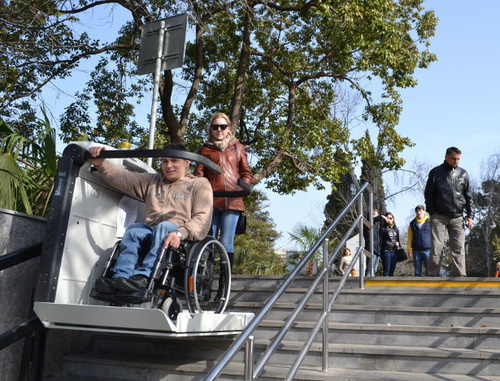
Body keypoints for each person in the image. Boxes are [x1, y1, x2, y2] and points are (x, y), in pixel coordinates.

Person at [90, 143, 213, 294]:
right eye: (165, 161)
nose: (169, 166)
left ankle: (144, 276)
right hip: (152, 229)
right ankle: (120, 277)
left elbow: (202, 218)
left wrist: (181, 233)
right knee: (134, 230)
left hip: (179, 232)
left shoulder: (199, 184)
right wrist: (101, 164)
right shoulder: (153, 181)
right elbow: (124, 178)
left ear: (186, 163)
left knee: (164, 227)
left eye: (174, 161)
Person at [194, 112, 253, 271]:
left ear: (228, 128)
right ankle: (206, 282)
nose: (219, 129)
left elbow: (247, 173)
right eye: (215, 127)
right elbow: (198, 175)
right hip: (211, 201)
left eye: (223, 126)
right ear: (211, 129)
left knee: (227, 242)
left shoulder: (237, 148)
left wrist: (241, 187)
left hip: (232, 200)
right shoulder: (205, 149)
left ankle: (223, 285)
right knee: (209, 240)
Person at [424, 147, 474, 277]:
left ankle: (460, 276)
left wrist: (470, 216)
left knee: (459, 248)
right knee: (437, 247)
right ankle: (433, 274)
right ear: (446, 156)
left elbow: (468, 196)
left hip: (458, 217)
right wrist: (432, 211)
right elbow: (428, 194)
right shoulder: (435, 172)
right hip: (439, 216)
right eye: (453, 158)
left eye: (458, 159)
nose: (456, 161)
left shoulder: (463, 173)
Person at [407, 205, 431, 277]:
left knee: (429, 270)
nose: (419, 212)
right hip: (416, 250)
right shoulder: (412, 223)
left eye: (420, 210)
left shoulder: (430, 222)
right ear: (415, 212)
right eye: (417, 211)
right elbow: (410, 237)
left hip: (428, 250)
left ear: (424, 211)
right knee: (417, 272)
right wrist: (409, 250)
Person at [364, 209, 388, 276]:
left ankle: (370, 283)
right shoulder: (367, 223)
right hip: (371, 248)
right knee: (369, 269)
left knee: (374, 269)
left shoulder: (375, 227)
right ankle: (366, 283)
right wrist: (383, 217)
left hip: (377, 249)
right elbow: (374, 219)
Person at [379, 212, 401, 276]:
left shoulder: (396, 229)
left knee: (392, 270)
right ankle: (384, 285)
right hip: (386, 250)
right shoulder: (382, 228)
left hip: (394, 251)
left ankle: (390, 285)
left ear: (393, 219)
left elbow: (398, 240)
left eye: (391, 218)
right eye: (387, 218)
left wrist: (398, 244)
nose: (389, 219)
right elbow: (379, 240)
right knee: (387, 269)